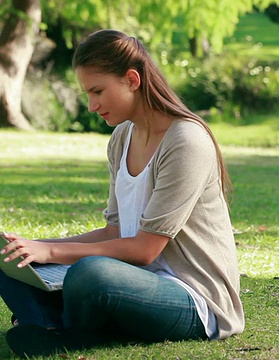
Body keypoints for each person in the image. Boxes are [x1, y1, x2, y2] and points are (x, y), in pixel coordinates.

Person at [0, 29, 244, 358]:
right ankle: (52, 329)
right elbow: (114, 232)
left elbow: (144, 249)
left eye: (97, 91)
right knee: (11, 256)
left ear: (131, 79)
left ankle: (55, 326)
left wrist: (53, 254)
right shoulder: (121, 138)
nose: (91, 105)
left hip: (192, 300)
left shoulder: (185, 141)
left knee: (92, 273)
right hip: (131, 281)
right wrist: (36, 249)